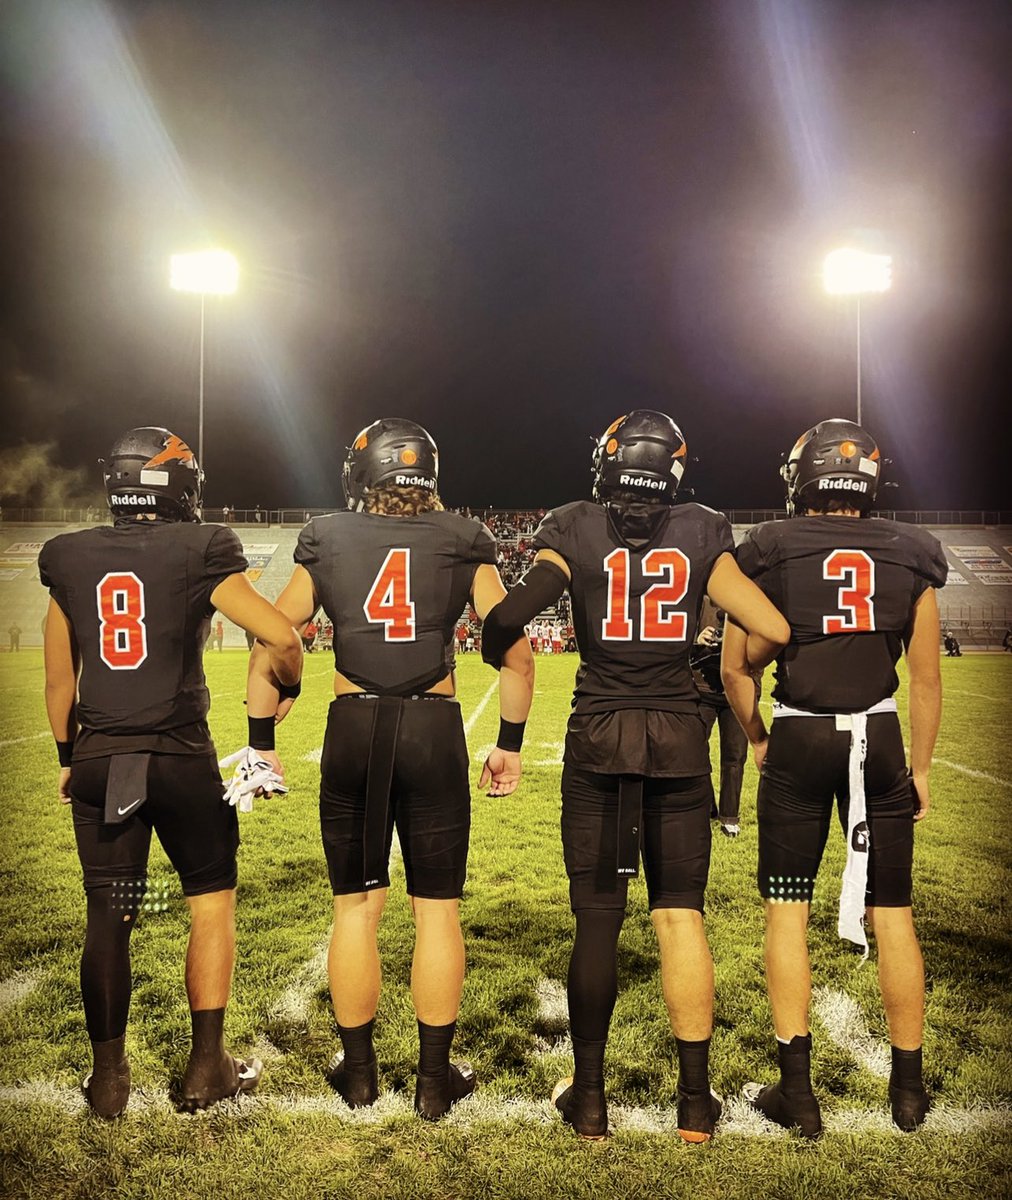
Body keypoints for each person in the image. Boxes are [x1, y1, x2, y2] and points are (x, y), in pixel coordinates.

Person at [481, 410, 789, 1141]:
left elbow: (507, 618)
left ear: (608, 462)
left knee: (597, 919)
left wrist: (496, 645)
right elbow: (773, 628)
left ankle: (589, 1101)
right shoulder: (704, 530)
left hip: (598, 736)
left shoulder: (573, 525)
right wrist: (714, 661)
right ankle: (694, 1106)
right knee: (680, 916)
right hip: (679, 740)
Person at [245, 417, 534, 1121]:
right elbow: (515, 651)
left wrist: (269, 720)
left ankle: (360, 1076)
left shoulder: (327, 535)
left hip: (354, 725)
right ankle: (434, 1083)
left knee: (355, 907)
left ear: (361, 473)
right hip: (433, 727)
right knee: (437, 911)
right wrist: (509, 741)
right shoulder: (464, 536)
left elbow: (274, 634)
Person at [39, 427, 302, 1119]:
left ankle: (108, 1082)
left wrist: (69, 758)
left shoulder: (67, 555)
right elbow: (280, 634)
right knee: (208, 902)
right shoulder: (200, 546)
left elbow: (60, 678)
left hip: (102, 760)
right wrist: (291, 685)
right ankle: (206, 1066)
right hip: (179, 758)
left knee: (110, 913)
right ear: (182, 487)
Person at [721, 418, 947, 1138]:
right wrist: (919, 768)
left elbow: (735, 668)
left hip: (799, 735)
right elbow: (927, 679)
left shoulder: (770, 547)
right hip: (879, 738)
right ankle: (907, 1092)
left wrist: (759, 739)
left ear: (802, 479)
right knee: (894, 914)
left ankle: (798, 1094)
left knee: (787, 911)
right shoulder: (911, 550)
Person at [690, 604, 748, 837]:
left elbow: (766, 642)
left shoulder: (749, 600)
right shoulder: (700, 597)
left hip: (739, 689)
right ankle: (708, 807)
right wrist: (697, 640)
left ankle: (729, 817)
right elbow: (679, 635)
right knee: (694, 751)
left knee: (735, 755)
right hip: (702, 687)